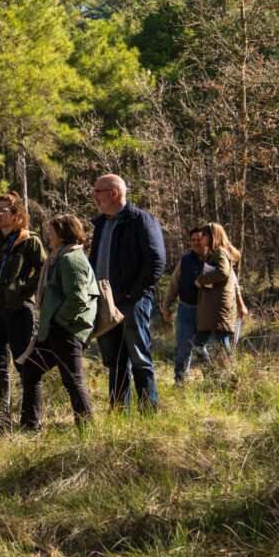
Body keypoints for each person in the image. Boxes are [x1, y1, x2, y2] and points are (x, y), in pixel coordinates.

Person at [88, 174, 165, 414]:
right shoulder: (101, 224)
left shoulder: (141, 221)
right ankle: (120, 414)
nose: (94, 198)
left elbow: (156, 261)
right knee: (115, 362)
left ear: (114, 193)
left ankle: (148, 415)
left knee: (140, 359)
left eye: (97, 192)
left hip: (132, 303)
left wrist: (133, 293)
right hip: (105, 303)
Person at [17, 214, 97, 431]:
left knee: (73, 381)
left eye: (51, 231)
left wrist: (58, 322)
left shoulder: (72, 259)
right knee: (30, 370)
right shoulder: (59, 257)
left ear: (63, 234)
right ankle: (29, 427)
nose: (48, 235)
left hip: (67, 331)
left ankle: (87, 432)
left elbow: (78, 299)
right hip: (54, 330)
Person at [0, 192, 46, 412]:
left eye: (3, 210)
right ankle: (1, 412)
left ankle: (30, 416)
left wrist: (22, 290)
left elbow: (43, 270)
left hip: (19, 309)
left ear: (16, 213)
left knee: (24, 363)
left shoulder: (29, 240)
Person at [193, 222, 243, 372]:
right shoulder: (215, 253)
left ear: (211, 237)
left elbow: (223, 272)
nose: (201, 241)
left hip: (218, 309)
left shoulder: (220, 252)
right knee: (198, 343)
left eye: (203, 237)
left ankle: (233, 378)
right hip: (211, 309)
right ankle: (213, 377)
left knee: (222, 347)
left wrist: (200, 280)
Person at [161, 228, 208, 384]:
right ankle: (180, 381)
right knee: (183, 347)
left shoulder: (215, 258)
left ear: (206, 240)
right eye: (193, 240)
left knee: (201, 347)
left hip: (207, 311)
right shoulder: (185, 260)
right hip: (186, 309)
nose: (196, 242)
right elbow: (174, 283)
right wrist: (167, 305)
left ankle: (214, 379)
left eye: (199, 239)